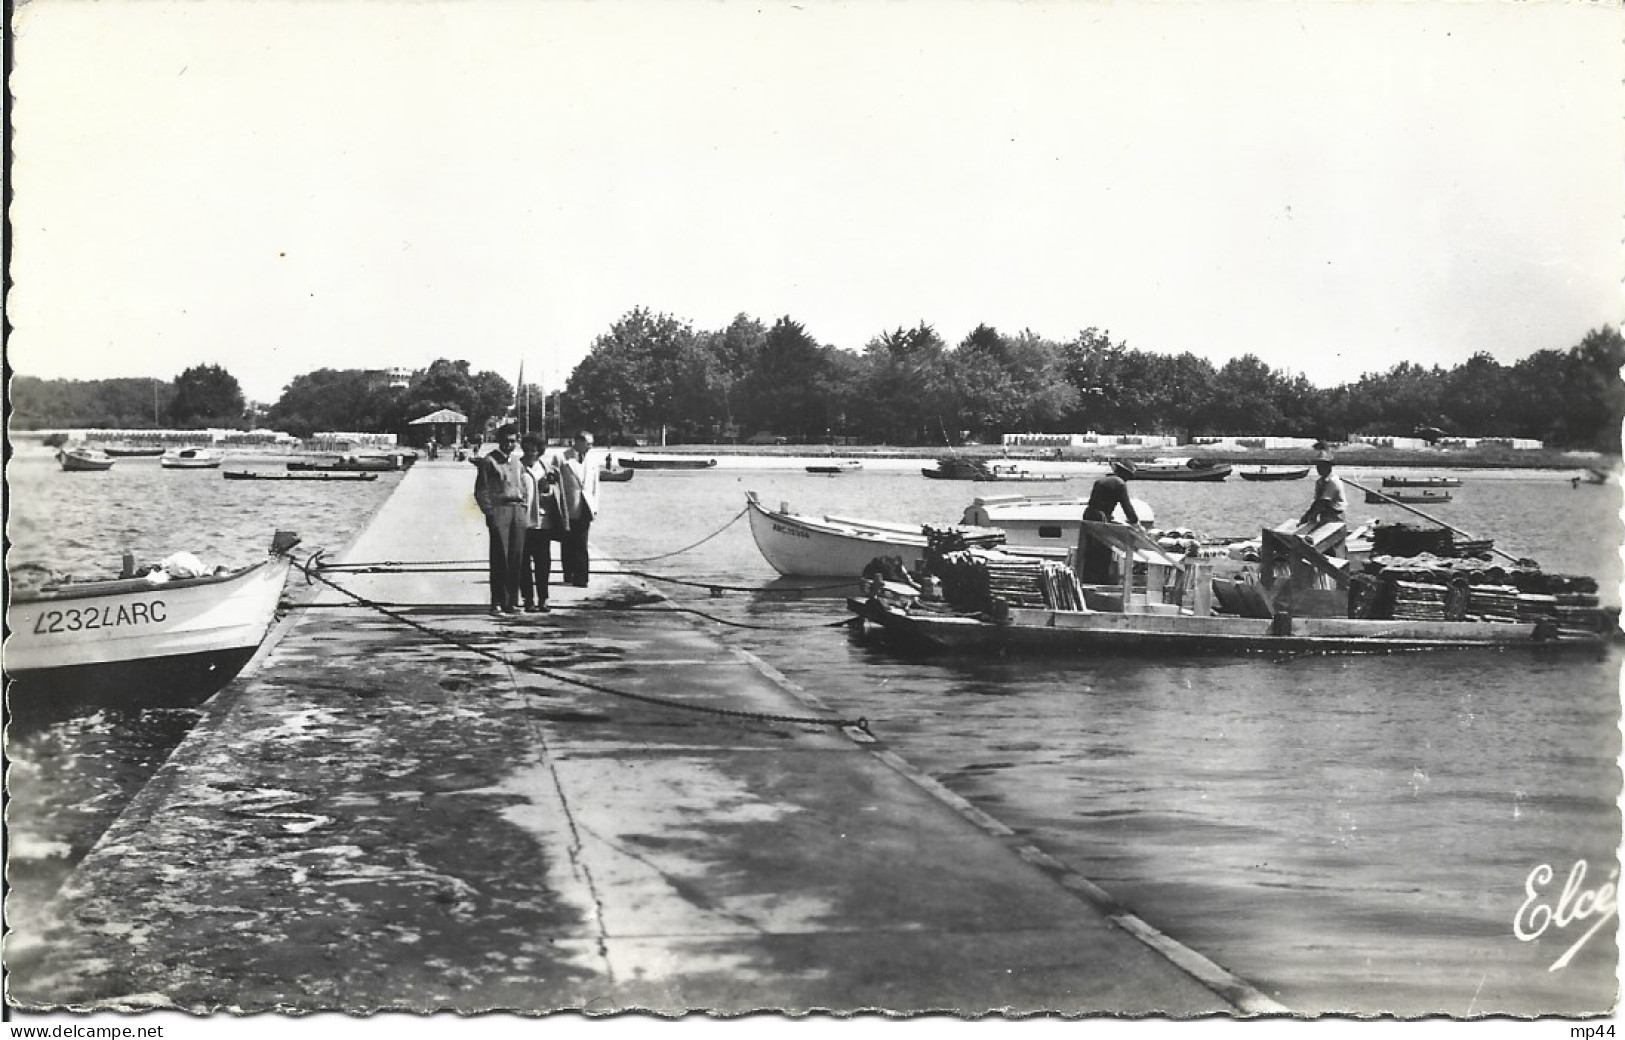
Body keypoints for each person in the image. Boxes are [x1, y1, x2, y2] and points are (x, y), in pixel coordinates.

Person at [473, 425, 530, 615]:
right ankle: (497, 602)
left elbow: (523, 485)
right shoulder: (489, 461)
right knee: (500, 558)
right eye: (506, 441)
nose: (509, 444)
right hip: (500, 511)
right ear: (499, 440)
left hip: (518, 512)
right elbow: (481, 491)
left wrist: (524, 507)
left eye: (513, 441)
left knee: (516, 558)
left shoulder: (517, 462)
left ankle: (512, 602)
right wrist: (490, 513)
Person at [1077, 460, 1139, 584]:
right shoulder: (1120, 484)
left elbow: (1096, 502)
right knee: (1103, 551)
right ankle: (1101, 582)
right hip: (1101, 519)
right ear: (1126, 474)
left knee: (1089, 552)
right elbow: (1127, 507)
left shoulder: (1101, 481)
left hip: (1088, 516)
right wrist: (1135, 522)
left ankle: (1086, 580)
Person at [519, 433, 559, 613]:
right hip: (523, 523)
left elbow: (556, 496)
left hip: (543, 523)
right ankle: (528, 599)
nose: (529, 454)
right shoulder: (517, 467)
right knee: (523, 564)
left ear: (540, 452)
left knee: (543, 564)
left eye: (533, 451)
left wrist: (548, 489)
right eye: (526, 450)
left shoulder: (547, 468)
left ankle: (543, 599)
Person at [557, 430, 601, 588]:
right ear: (578, 442)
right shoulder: (562, 458)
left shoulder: (593, 460)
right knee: (568, 541)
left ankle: (582, 577)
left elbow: (596, 484)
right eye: (588, 443)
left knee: (581, 543)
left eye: (591, 444)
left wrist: (595, 506)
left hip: (586, 506)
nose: (590, 447)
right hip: (569, 505)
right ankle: (568, 572)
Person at [1298, 452, 1347, 527]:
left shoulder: (1333, 481)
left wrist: (1308, 515)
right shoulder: (1320, 482)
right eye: (1318, 466)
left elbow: (1323, 502)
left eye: (1322, 466)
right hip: (1325, 515)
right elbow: (1317, 502)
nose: (1319, 469)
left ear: (1329, 467)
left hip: (1336, 516)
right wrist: (1310, 515)